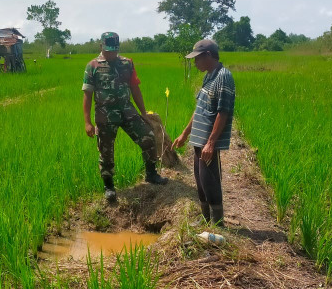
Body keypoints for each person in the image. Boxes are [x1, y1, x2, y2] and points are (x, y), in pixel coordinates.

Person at [83, 32, 167, 202]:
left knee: (148, 137)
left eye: (114, 51)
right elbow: (87, 95)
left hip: (128, 111)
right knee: (106, 151)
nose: (112, 54)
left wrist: (143, 112)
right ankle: (109, 186)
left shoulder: (127, 63)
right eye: (108, 51)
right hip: (105, 115)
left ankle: (151, 174)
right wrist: (87, 122)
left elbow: (135, 88)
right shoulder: (92, 66)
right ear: (101, 47)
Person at [172, 39, 235, 226]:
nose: (195, 63)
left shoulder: (223, 76)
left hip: (207, 141)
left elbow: (223, 112)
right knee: (200, 180)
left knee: (210, 181)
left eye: (197, 58)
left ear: (208, 55)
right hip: (199, 139)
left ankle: (217, 224)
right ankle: (205, 219)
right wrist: (185, 134)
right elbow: (199, 108)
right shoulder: (209, 76)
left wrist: (211, 142)